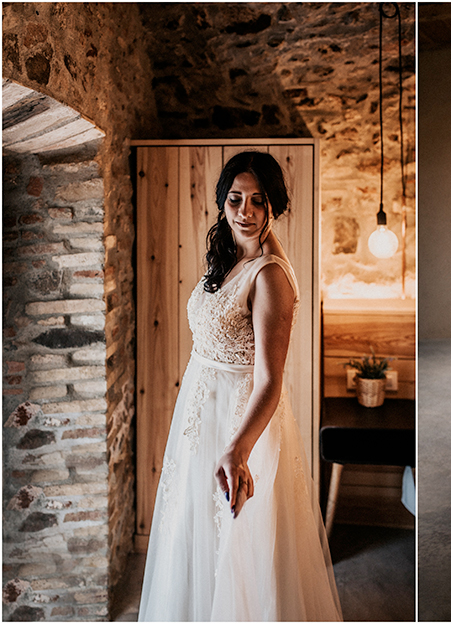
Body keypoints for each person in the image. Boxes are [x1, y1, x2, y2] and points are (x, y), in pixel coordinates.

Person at [139, 152, 342, 621]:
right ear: (222, 202)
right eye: (235, 199)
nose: (245, 212)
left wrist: (239, 450)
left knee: (239, 552)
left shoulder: (270, 275)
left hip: (239, 421)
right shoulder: (228, 255)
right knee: (195, 539)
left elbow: (270, 381)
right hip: (200, 414)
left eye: (257, 201)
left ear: (275, 206)